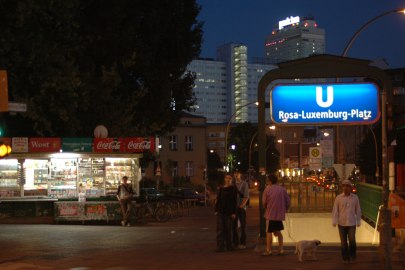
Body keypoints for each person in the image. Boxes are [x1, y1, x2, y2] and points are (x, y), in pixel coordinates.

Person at [332, 179, 362, 263]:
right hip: (341, 223)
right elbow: (335, 210)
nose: (345, 188)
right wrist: (334, 220)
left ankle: (353, 255)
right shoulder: (338, 198)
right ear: (342, 188)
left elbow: (358, 209)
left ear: (350, 188)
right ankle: (345, 257)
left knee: (352, 240)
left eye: (347, 186)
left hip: (352, 222)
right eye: (344, 186)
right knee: (343, 242)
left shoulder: (355, 198)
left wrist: (358, 220)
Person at [262, 174, 290, 256]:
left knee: (269, 232)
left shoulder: (267, 189)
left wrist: (266, 208)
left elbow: (264, 202)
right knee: (279, 231)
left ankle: (268, 250)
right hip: (279, 214)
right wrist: (286, 209)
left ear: (269, 181)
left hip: (270, 214)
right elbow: (288, 201)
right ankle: (281, 249)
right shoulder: (282, 189)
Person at [214, 174, 238, 252]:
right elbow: (218, 199)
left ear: (231, 180)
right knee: (220, 230)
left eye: (229, 178)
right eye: (226, 178)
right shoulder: (221, 189)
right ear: (224, 179)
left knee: (228, 229)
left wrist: (234, 212)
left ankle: (229, 246)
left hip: (229, 212)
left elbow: (234, 201)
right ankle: (220, 247)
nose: (228, 179)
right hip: (221, 211)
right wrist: (216, 210)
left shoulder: (233, 189)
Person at [232, 170, 249, 249]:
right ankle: (235, 242)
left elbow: (246, 196)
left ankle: (243, 242)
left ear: (240, 174)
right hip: (233, 207)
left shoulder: (244, 184)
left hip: (241, 208)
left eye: (237, 173)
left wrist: (241, 206)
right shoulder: (232, 184)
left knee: (243, 225)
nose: (236, 175)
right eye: (235, 174)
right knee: (234, 225)